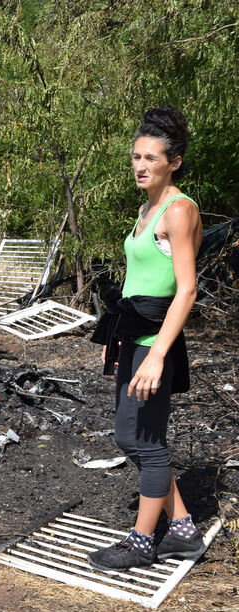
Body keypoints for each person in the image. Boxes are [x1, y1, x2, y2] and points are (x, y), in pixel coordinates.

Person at [87, 106, 205, 572]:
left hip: (157, 342)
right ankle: (182, 531)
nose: (140, 165)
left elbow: (186, 288)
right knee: (130, 435)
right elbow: (139, 278)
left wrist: (157, 355)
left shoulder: (180, 210)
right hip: (133, 336)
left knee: (145, 441)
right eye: (136, 156)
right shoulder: (146, 208)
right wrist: (115, 337)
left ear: (173, 162)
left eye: (151, 158)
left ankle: (142, 541)